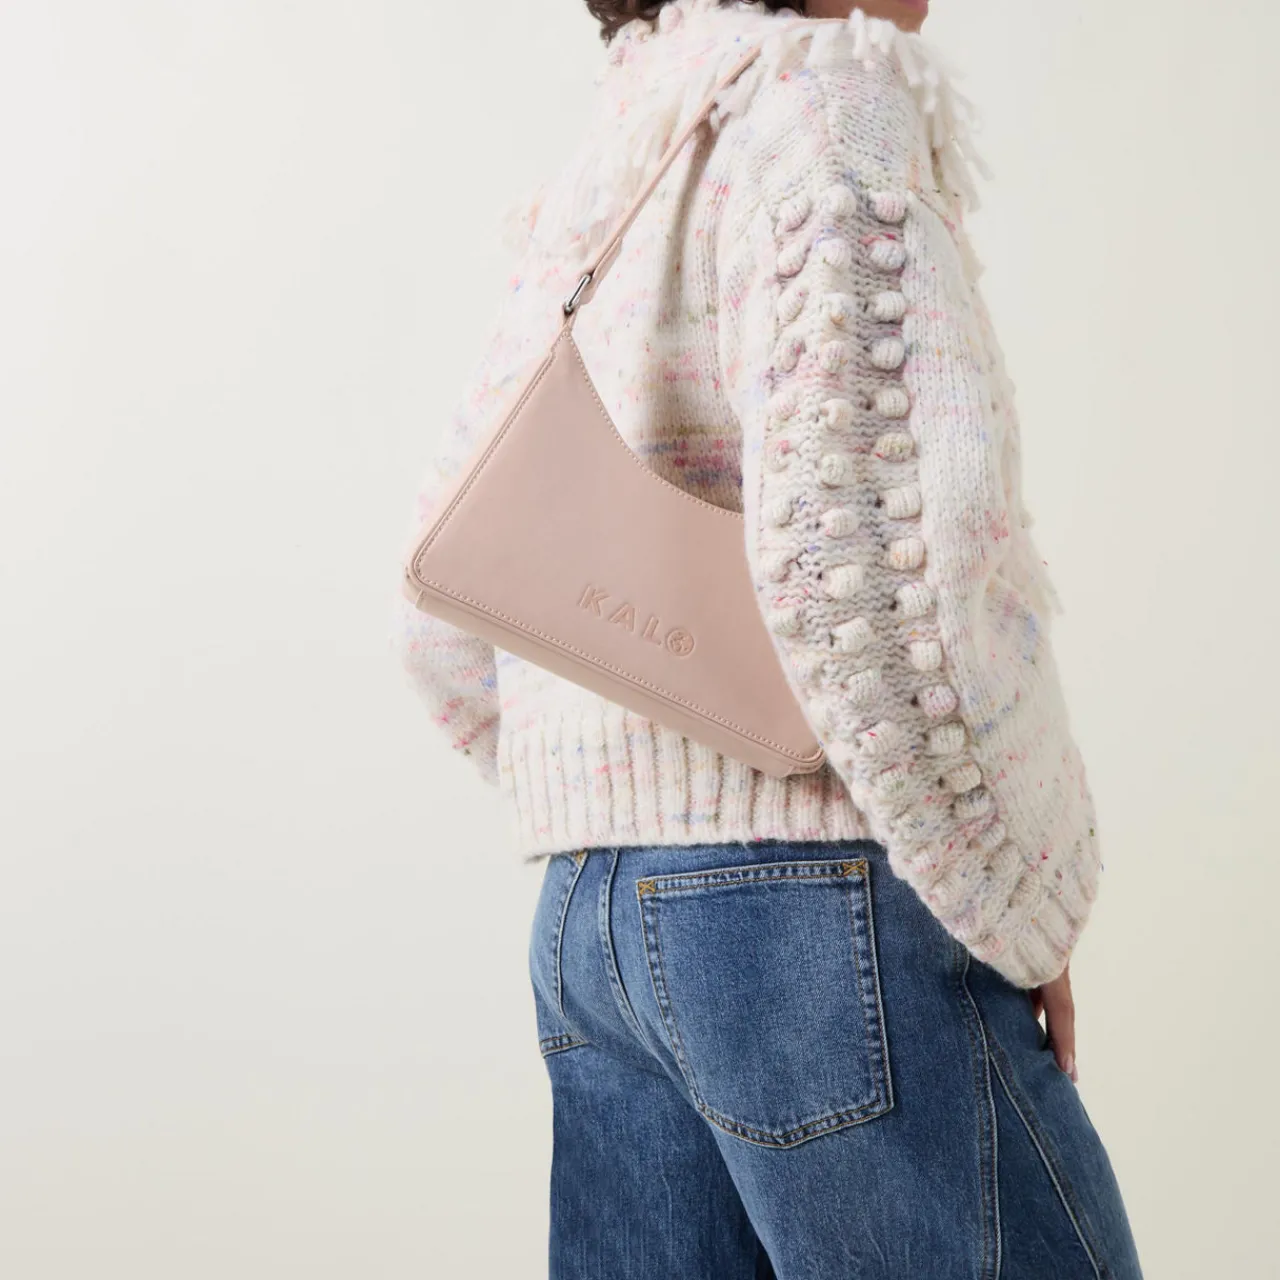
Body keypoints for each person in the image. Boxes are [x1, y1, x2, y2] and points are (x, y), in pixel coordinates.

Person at [393, 1, 1143, 1275]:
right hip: (818, 917)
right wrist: (1018, 902)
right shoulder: (826, 113)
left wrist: (610, 801)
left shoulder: (621, 149)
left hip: (585, 927)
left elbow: (441, 599)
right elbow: (890, 582)